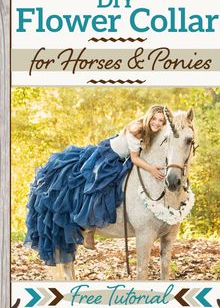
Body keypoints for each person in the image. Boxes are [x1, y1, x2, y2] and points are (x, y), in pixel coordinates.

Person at [25, 105, 166, 265]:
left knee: (117, 187)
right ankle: (88, 228)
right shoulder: (138, 128)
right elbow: (135, 158)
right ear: (149, 117)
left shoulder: (154, 131)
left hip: (120, 160)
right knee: (100, 186)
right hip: (108, 157)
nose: (157, 123)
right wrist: (152, 170)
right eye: (154, 118)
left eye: (161, 121)